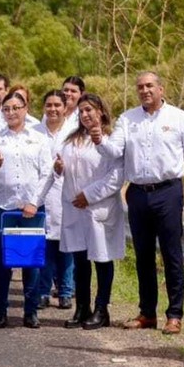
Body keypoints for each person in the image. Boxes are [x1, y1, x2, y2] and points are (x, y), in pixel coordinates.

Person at [99, 71, 184, 335]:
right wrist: (98, 137)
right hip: (137, 193)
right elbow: (115, 151)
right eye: (140, 87)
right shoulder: (128, 119)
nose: (144, 90)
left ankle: (174, 315)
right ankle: (147, 313)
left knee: (172, 255)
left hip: (168, 192)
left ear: (161, 89)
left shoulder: (180, 119)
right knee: (143, 256)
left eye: (149, 86)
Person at [0, 91, 54, 329]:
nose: (11, 113)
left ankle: (31, 311)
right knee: (2, 261)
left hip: (30, 208)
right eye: (6, 109)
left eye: (15, 108)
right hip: (3, 207)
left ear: (25, 109)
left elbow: (47, 172)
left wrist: (34, 201)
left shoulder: (39, 138)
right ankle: (0, 311)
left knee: (31, 260)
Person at [58, 94, 126, 331]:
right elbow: (64, 167)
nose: (85, 115)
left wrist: (89, 195)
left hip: (98, 206)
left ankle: (101, 309)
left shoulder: (111, 139)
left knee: (101, 257)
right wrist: (59, 168)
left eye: (89, 110)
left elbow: (116, 176)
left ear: (101, 111)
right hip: (75, 207)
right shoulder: (71, 139)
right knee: (80, 259)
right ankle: (82, 307)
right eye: (81, 111)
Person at [35, 90, 75, 311]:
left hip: (65, 193)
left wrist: (63, 167)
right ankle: (42, 291)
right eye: (48, 105)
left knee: (65, 245)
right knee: (45, 245)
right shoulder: (36, 132)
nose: (52, 109)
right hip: (42, 194)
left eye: (57, 105)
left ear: (65, 107)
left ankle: (66, 291)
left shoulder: (73, 133)